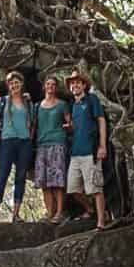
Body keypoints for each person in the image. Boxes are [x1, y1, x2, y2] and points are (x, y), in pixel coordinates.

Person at [0, 71, 34, 223]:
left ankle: (16, 214)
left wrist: (29, 137)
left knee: (20, 177)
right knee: (2, 176)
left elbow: (32, 122)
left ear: (21, 84)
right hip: (7, 141)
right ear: (8, 86)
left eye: (17, 82)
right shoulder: (3, 101)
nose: (14, 85)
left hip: (24, 142)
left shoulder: (28, 102)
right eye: (11, 83)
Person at [65, 69, 107, 230]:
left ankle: (101, 222)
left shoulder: (91, 100)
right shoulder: (72, 106)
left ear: (84, 85)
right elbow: (75, 127)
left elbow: (101, 121)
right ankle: (90, 209)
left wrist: (102, 146)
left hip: (91, 151)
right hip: (75, 153)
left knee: (96, 188)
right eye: (72, 83)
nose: (75, 85)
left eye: (77, 82)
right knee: (73, 189)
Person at [33, 74, 71, 223]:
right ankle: (49, 213)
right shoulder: (37, 106)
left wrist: (69, 127)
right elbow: (34, 126)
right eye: (48, 84)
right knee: (44, 182)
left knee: (57, 181)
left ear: (56, 88)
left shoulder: (62, 104)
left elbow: (70, 123)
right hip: (42, 145)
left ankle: (59, 213)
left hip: (58, 143)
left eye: (53, 85)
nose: (50, 87)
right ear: (44, 87)